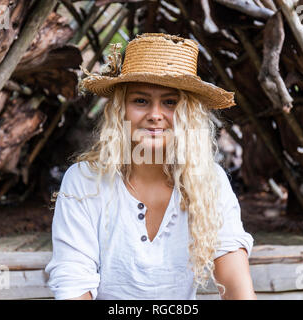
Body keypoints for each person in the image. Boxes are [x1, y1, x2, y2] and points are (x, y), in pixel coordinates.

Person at [44, 33, 256, 300]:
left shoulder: (208, 180)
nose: (155, 115)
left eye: (170, 102)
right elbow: (73, 280)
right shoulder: (84, 181)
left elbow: (234, 277)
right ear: (120, 109)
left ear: (187, 113)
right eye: (140, 101)